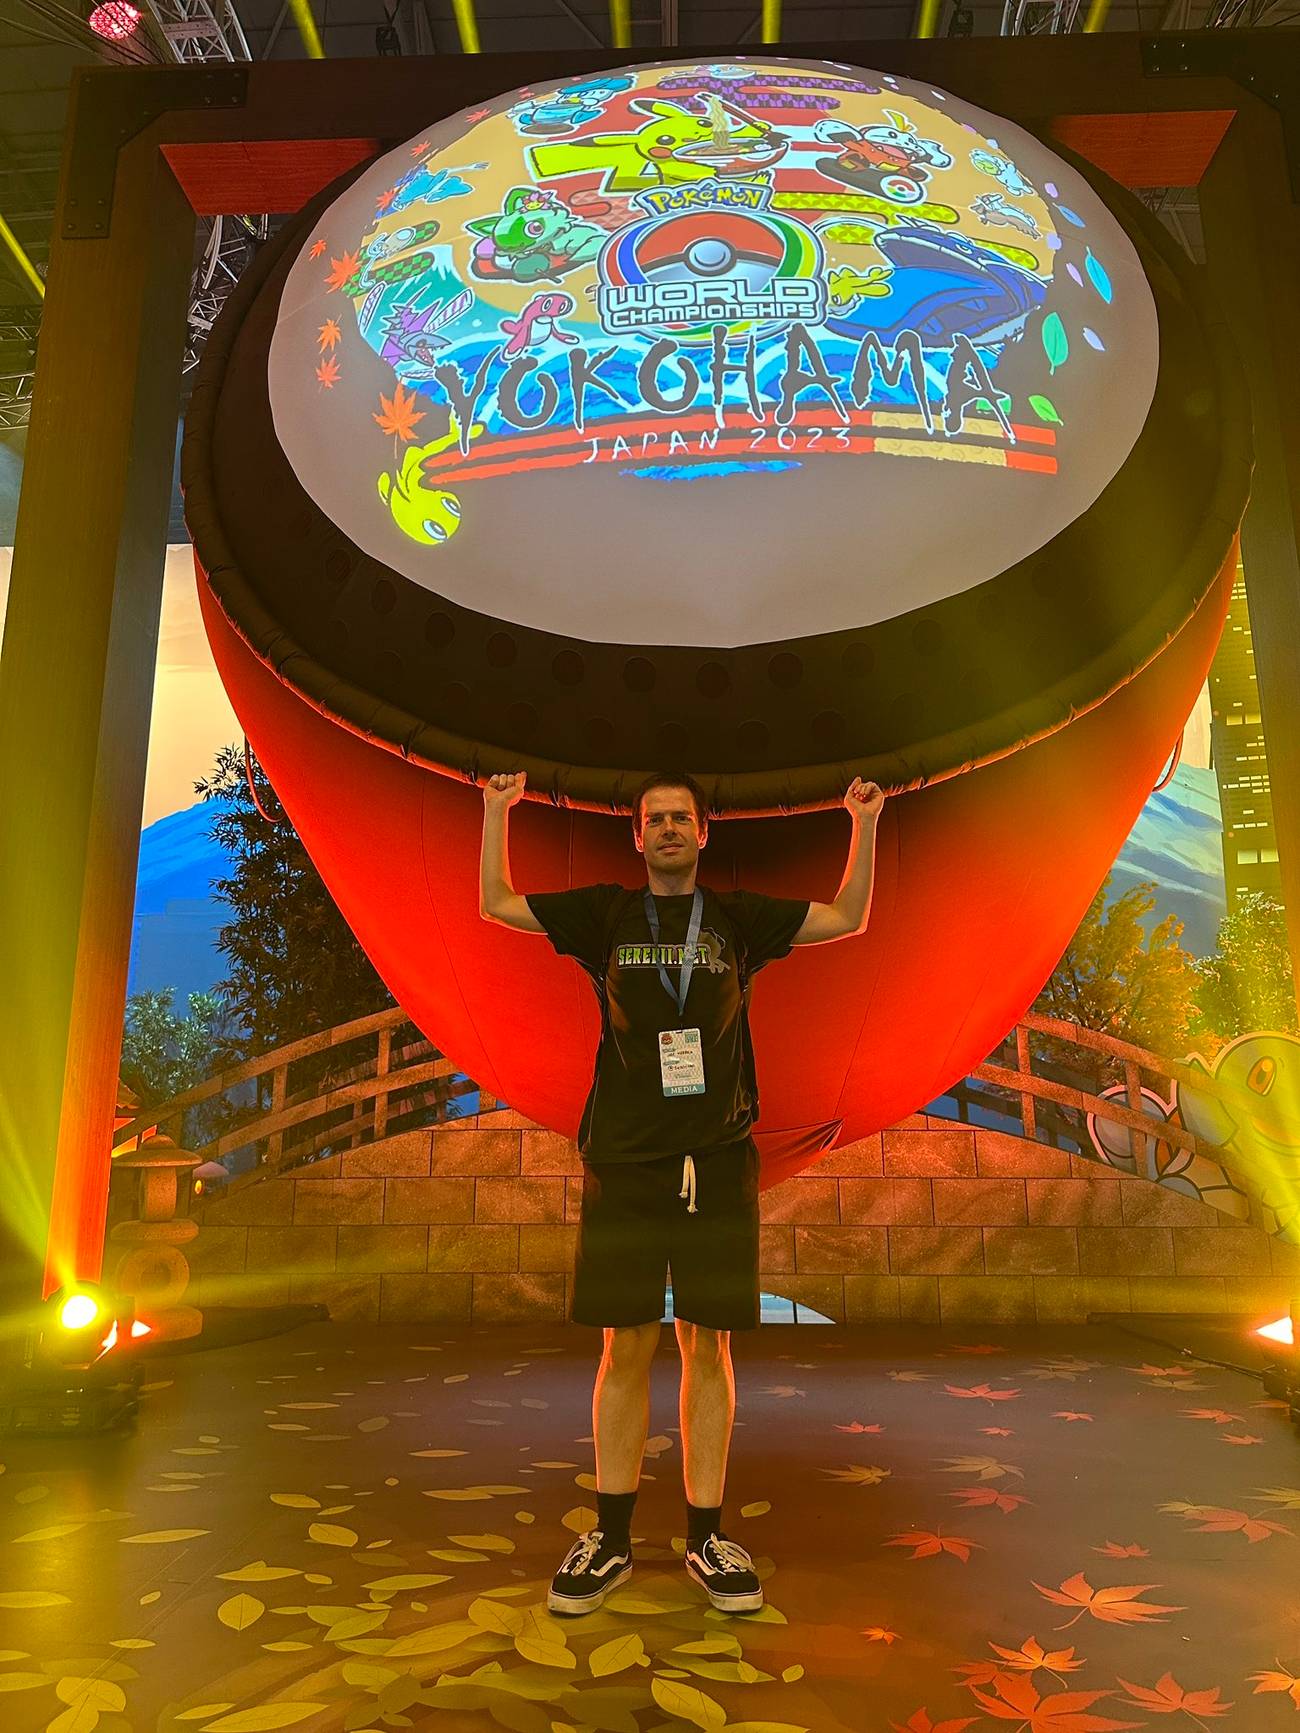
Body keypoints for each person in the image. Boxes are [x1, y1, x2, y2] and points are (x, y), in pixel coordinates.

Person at [479, 768, 884, 1617]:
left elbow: (849, 918)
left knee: (710, 1346)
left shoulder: (736, 918)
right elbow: (497, 905)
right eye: (654, 818)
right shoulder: (604, 914)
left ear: (703, 835)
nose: (668, 828)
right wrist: (495, 810)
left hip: (717, 1159)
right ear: (637, 836)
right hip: (626, 1162)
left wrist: (864, 820)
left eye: (681, 818)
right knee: (624, 1346)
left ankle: (706, 1536)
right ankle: (612, 1538)